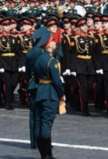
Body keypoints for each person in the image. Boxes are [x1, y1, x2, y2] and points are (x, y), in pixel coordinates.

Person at [33, 27, 64, 159]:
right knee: (47, 124)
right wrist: (61, 94)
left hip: (40, 91)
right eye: (53, 41)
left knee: (39, 122)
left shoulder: (39, 59)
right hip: (50, 93)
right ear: (49, 44)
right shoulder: (52, 61)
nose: (55, 43)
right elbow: (57, 81)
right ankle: (47, 155)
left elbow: (35, 78)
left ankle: (43, 154)